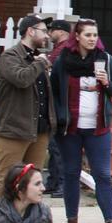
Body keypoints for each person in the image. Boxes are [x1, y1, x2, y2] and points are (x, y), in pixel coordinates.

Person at [50, 19, 112, 223]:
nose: (92, 39)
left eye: (95, 35)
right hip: (70, 129)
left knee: (103, 176)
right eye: (88, 35)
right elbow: (55, 90)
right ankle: (71, 222)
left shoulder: (106, 60)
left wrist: (106, 83)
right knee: (71, 174)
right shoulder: (64, 61)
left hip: (98, 129)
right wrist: (59, 118)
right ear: (78, 37)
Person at [0, 15, 57, 205]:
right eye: (44, 31)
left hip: (39, 130)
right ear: (30, 31)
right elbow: (21, 79)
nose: (47, 36)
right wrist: (40, 63)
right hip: (14, 129)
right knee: (5, 180)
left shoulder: (37, 58)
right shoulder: (10, 56)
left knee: (32, 182)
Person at [44, 20, 72, 199]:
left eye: (51, 31)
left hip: (62, 105)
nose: (48, 34)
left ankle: (62, 183)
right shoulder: (59, 49)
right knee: (54, 145)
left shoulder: (64, 50)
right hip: (55, 103)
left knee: (59, 146)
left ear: (60, 31)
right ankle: (53, 182)